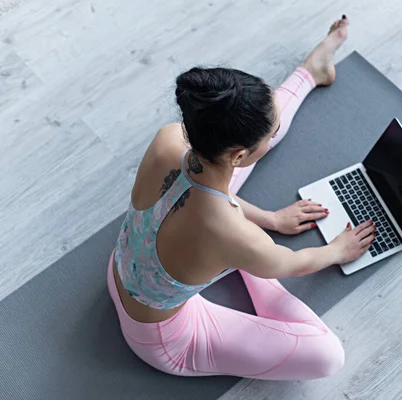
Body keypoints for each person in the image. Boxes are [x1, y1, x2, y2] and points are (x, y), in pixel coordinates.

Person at [107, 15, 376, 380]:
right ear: (238, 155)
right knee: (328, 356)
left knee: (224, 182)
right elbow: (293, 263)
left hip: (120, 272)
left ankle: (311, 70)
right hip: (160, 339)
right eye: (272, 134)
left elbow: (208, 197)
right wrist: (337, 251)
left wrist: (269, 218)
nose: (273, 136)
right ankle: (244, 263)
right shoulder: (229, 229)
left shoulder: (170, 138)